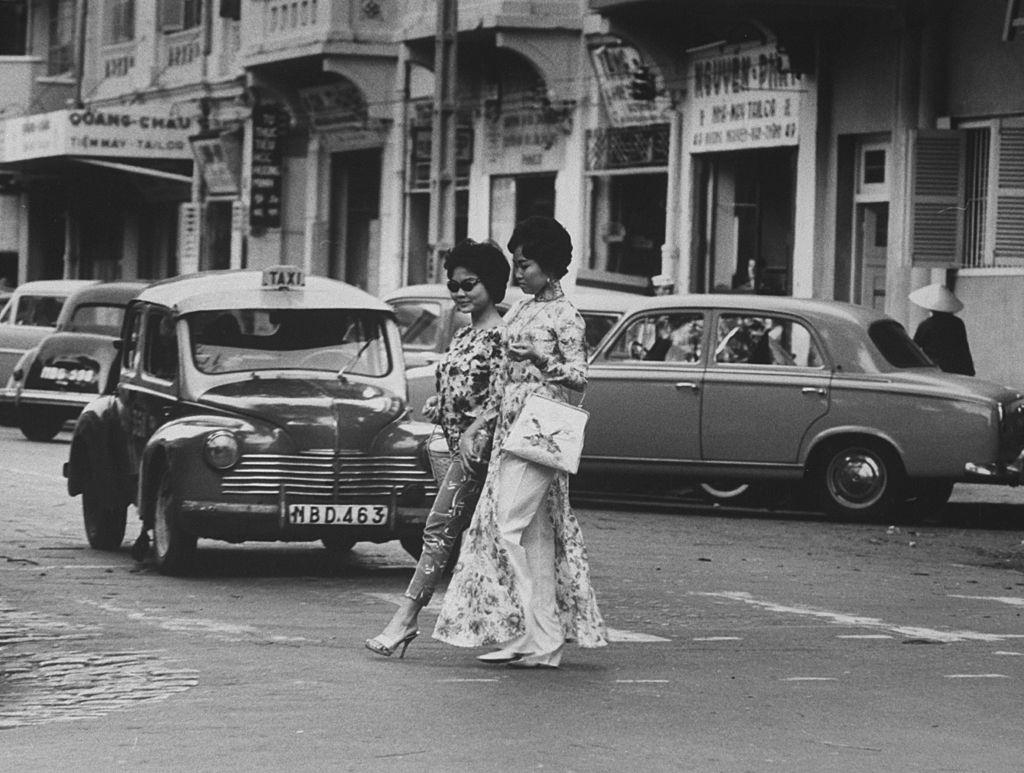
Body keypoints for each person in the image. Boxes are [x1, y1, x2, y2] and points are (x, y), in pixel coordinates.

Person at [433, 215, 607, 669]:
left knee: (504, 527)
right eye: (515, 263)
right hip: (511, 430)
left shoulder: (565, 315)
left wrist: (542, 357)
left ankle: (526, 628)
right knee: (534, 537)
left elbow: (580, 378)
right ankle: (542, 640)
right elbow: (503, 381)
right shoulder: (525, 311)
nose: (517, 273)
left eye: (525, 264)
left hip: (540, 432)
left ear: (548, 267)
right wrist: (480, 425)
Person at [365, 239, 509, 658]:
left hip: (477, 451)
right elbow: (466, 386)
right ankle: (527, 626)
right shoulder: (465, 334)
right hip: (447, 447)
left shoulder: (502, 336)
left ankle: (405, 618)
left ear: (493, 284)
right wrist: (440, 403)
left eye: (471, 284)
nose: (461, 292)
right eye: (455, 284)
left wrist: (474, 428)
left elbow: (502, 397)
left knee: (440, 530)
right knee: (480, 538)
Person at [908, 282, 975, 376]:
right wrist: (970, 369)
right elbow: (964, 348)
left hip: (935, 369)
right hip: (958, 368)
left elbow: (915, 347)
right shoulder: (957, 323)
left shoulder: (926, 325)